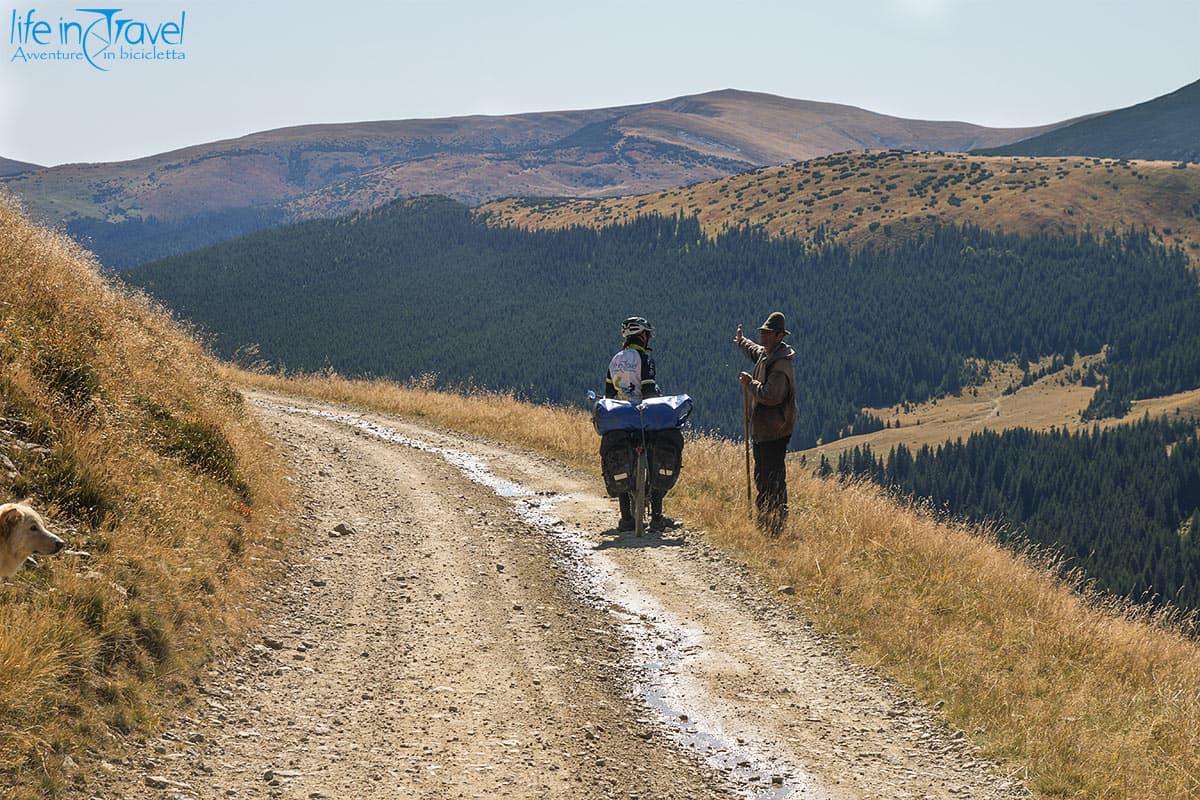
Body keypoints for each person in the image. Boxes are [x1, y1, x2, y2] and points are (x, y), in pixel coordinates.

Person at [606, 316, 679, 533]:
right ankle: (657, 517)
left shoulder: (614, 360)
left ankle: (626, 519)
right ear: (643, 336)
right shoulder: (644, 358)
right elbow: (648, 391)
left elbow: (609, 394)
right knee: (662, 446)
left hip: (620, 417)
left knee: (619, 454)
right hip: (642, 416)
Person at [735, 311, 797, 537]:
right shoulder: (768, 354)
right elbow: (755, 351)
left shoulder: (780, 366)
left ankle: (774, 521)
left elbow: (772, 396)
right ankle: (767, 520)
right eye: (761, 331)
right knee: (764, 474)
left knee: (772, 477)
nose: (762, 335)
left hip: (774, 430)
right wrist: (742, 342)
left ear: (779, 336)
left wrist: (750, 383)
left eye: (767, 332)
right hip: (765, 429)